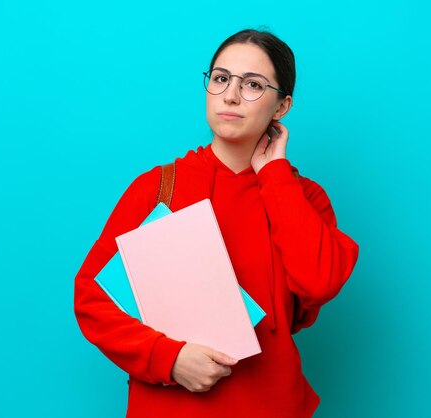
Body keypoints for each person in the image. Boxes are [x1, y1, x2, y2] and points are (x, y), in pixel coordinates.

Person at [74, 28, 359, 417]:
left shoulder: (304, 197)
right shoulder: (158, 188)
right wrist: (168, 358)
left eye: (253, 85)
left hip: (271, 405)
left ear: (282, 106)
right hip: (169, 407)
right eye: (221, 79)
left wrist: (274, 176)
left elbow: (318, 282)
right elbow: (92, 298)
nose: (230, 95)